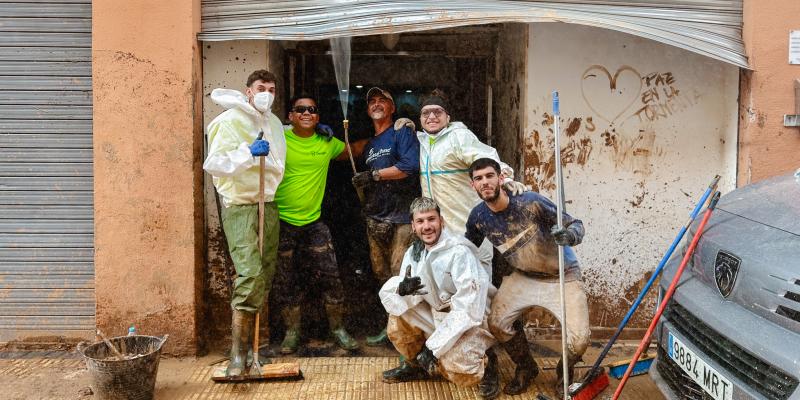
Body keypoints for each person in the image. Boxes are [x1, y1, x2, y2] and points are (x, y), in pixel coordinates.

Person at [465, 158, 591, 397]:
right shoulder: (478, 217)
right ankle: (526, 367)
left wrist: (569, 235)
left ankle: (565, 372)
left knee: (580, 340)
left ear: (501, 178)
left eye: (489, 176)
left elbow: (576, 224)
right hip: (523, 276)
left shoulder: (530, 202)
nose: (485, 182)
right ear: (473, 185)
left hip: (563, 275)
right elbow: (464, 247)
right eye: (479, 179)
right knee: (497, 324)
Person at [203, 70, 286, 377]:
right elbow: (214, 164)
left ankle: (257, 350)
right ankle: (237, 355)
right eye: (261, 88)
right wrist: (248, 153)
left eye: (272, 88)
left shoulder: (274, 123)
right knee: (249, 274)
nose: (266, 93)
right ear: (248, 91)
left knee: (263, 275)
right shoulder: (228, 121)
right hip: (240, 206)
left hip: (269, 204)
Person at [272, 94, 368, 354]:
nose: (306, 113)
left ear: (318, 116)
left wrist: (390, 134)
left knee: (331, 277)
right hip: (281, 222)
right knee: (286, 279)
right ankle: (292, 332)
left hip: (314, 223)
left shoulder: (326, 142)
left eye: (312, 109)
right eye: (300, 109)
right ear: (290, 115)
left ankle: (338, 330)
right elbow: (262, 129)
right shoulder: (278, 139)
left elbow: (354, 150)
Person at [379, 197, 500, 399]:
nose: (427, 227)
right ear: (413, 226)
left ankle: (487, 364)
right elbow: (397, 298)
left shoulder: (459, 252)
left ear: (441, 221)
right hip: (438, 316)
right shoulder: (414, 252)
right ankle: (415, 365)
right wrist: (402, 289)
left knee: (455, 369)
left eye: (431, 219)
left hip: (471, 322)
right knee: (398, 314)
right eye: (421, 221)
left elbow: (469, 308)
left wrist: (432, 347)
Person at [397, 89, 527, 271]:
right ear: (420, 119)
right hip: (441, 228)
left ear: (448, 117)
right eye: (426, 113)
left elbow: (484, 158)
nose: (432, 116)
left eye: (438, 112)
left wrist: (503, 177)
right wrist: (407, 129)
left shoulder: (459, 137)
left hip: (467, 223)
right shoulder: (424, 140)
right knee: (448, 281)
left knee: (476, 280)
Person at [351, 87, 420, 346]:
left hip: (402, 218)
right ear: (368, 110)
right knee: (382, 276)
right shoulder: (370, 145)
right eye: (372, 101)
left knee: (401, 275)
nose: (377, 104)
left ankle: (410, 332)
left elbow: (409, 167)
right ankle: (392, 326)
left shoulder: (402, 131)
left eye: (383, 101)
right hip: (376, 218)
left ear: (392, 108)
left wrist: (374, 175)